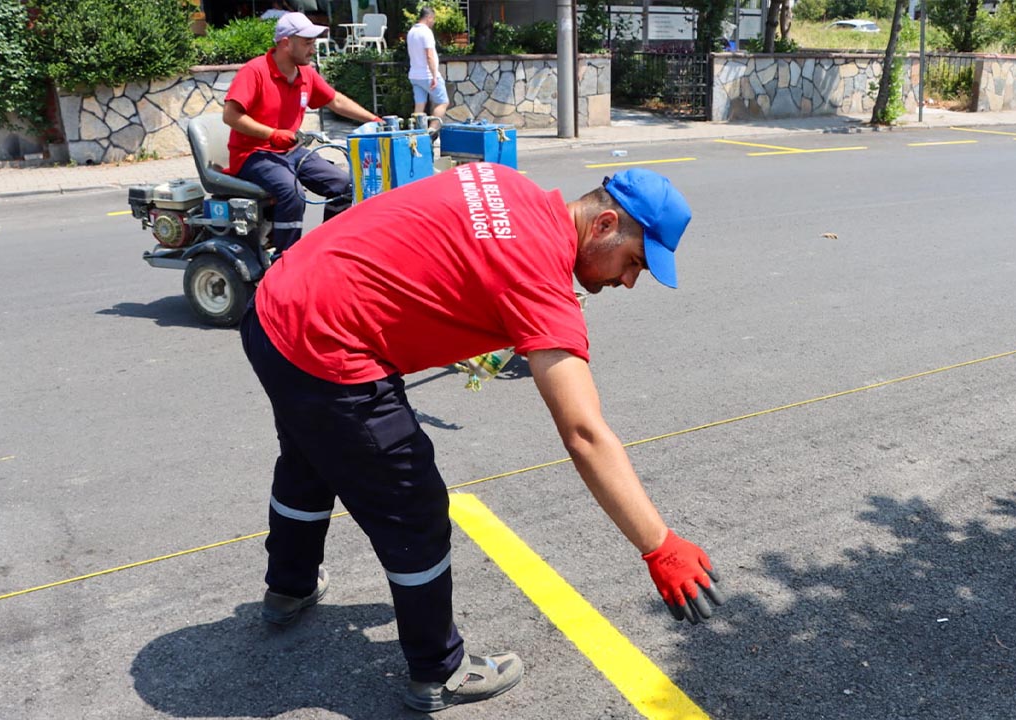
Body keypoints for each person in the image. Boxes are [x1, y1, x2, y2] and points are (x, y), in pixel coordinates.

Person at [239, 162, 725, 713]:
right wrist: (658, 546)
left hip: (275, 308)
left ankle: (290, 587)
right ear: (605, 224)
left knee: (309, 456)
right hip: (329, 349)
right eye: (634, 262)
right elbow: (584, 433)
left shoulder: (505, 182)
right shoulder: (539, 280)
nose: (629, 281)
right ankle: (438, 673)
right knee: (414, 508)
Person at [223, 12, 382, 254]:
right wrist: (272, 134)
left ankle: (324, 251)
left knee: (345, 186)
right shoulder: (255, 71)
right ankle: (286, 261)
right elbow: (231, 116)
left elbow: (335, 101)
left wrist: (374, 120)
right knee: (292, 192)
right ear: (286, 42)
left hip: (291, 151)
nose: (312, 49)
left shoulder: (305, 73)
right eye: (307, 43)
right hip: (253, 155)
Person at [406, 7, 450, 129]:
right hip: (427, 75)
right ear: (429, 17)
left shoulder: (411, 32)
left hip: (415, 75)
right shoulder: (426, 32)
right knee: (443, 102)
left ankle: (416, 134)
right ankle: (432, 131)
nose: (433, 22)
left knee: (419, 106)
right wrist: (434, 76)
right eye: (433, 19)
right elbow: (429, 55)